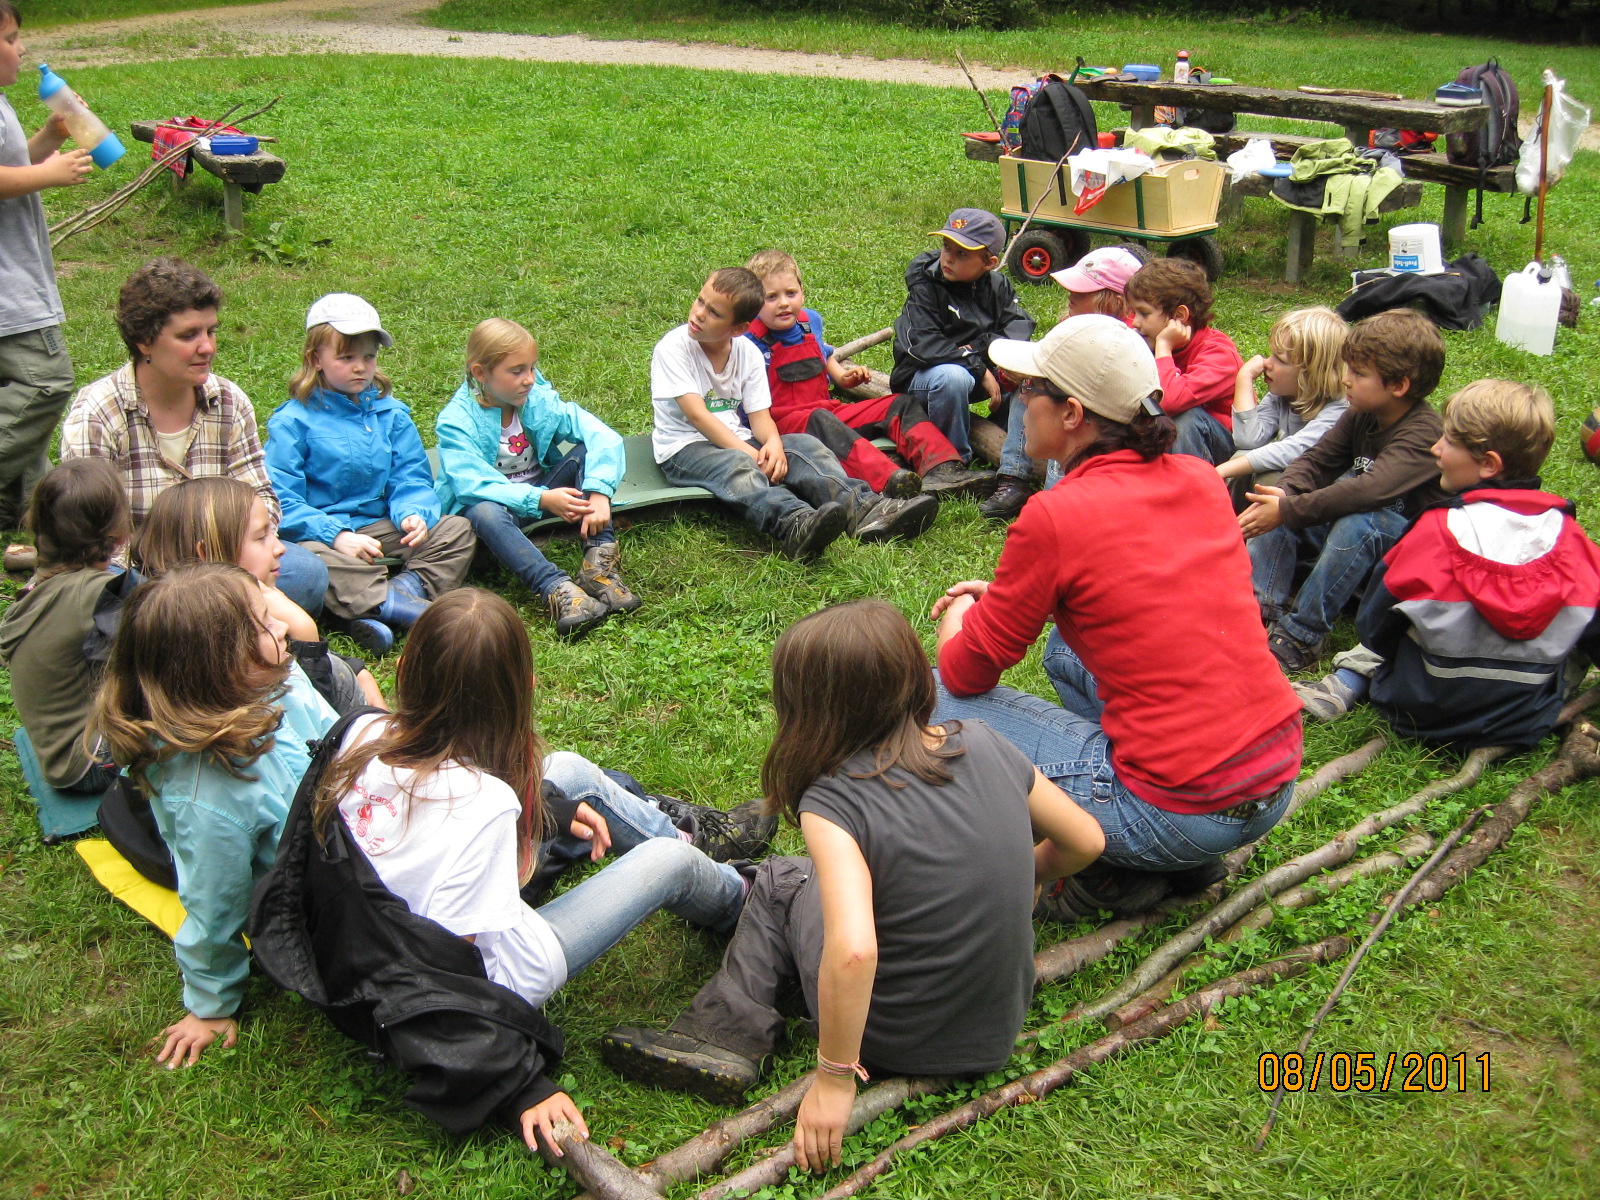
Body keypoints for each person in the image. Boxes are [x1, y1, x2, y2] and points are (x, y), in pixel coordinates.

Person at [601, 600, 1104, 1170]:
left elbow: (855, 950)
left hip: (891, 1038)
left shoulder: (833, 799)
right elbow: (1086, 840)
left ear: (808, 710)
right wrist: (1028, 873)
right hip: (994, 1028)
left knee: (783, 879)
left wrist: (837, 1079)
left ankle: (723, 1031)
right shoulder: (985, 740)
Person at [300, 588, 756, 1151]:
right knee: (670, 863)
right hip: (490, 975)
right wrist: (519, 1083)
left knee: (563, 771)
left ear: (408, 671)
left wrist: (553, 809)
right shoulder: (486, 805)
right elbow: (449, 977)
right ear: (525, 689)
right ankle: (754, 900)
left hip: (373, 937)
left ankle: (695, 835)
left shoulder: (358, 733)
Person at [929, 316, 1303, 918]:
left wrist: (966, 614)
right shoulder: (1199, 478)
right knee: (1062, 652)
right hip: (1272, 778)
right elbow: (1138, 588)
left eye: (1030, 390)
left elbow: (968, 673)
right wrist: (1012, 595)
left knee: (933, 695)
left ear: (1073, 413)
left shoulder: (1056, 515)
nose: (1020, 402)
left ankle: (1115, 863)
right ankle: (1164, 858)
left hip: (1180, 809)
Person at [92, 562, 340, 1068]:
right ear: (219, 667)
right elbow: (213, 901)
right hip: (326, 892)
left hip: (356, 828)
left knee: (548, 779)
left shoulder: (280, 678)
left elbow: (341, 740)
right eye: (264, 625)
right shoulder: (207, 794)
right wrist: (209, 1006)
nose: (282, 626)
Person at [1293, 380, 1600, 745]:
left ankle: (1347, 680)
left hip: (1416, 710)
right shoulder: (1575, 543)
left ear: (1489, 464)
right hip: (1520, 718)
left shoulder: (1435, 528)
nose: (1435, 448)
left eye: (1449, 441)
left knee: (1401, 621)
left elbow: (1373, 629)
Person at [60, 258, 329, 615]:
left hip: (225, 561)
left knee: (306, 573)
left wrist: (243, 553)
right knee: (104, 594)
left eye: (211, 331)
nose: (207, 347)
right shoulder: (98, 413)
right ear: (144, 341)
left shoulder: (229, 401)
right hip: (138, 572)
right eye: (188, 335)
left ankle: (208, 618)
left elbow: (260, 494)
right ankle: (228, 618)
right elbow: (91, 537)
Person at [652, 268, 935, 561]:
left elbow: (760, 415)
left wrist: (773, 444)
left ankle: (865, 509)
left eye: (714, 312)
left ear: (738, 328)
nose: (699, 314)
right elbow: (699, 417)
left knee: (804, 446)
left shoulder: (746, 352)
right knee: (739, 466)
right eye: (700, 301)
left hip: (740, 438)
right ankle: (794, 523)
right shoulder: (674, 349)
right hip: (683, 448)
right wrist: (752, 454)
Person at [265, 293, 476, 655]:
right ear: (316, 359)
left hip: (379, 529)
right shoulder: (292, 421)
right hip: (322, 536)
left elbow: (411, 476)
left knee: (456, 530)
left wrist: (413, 513)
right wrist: (336, 535)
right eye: (346, 357)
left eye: (369, 356)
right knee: (306, 562)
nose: (360, 367)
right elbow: (281, 501)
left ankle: (387, 601)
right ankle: (402, 607)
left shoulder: (391, 415)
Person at [1243, 308, 1447, 673]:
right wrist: (1285, 494)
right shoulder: (1360, 412)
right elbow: (1316, 462)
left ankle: (1302, 634)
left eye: (1358, 372)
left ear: (1398, 386)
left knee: (1360, 517)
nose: (1346, 379)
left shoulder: (1422, 433)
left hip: (1401, 556)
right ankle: (1258, 610)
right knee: (1280, 495)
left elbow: (1370, 492)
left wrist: (1289, 509)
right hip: (1349, 540)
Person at [436, 318, 633, 641]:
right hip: (498, 512)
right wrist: (540, 499)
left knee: (586, 453)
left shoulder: (536, 398)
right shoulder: (456, 422)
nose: (528, 380)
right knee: (482, 509)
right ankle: (557, 589)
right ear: (481, 373)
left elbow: (602, 436)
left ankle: (598, 567)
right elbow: (471, 484)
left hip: (543, 494)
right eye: (516, 371)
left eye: (531, 368)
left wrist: (599, 492)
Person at [742, 249, 991, 499]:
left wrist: (842, 377)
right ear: (753, 303)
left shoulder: (810, 322)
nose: (783, 303)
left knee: (899, 405)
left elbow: (824, 354)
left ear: (802, 291)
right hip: (783, 426)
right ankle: (889, 480)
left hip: (828, 410)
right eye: (771, 297)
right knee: (821, 419)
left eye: (791, 293)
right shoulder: (748, 340)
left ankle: (943, 469)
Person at [133, 475, 384, 713]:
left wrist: (355, 670)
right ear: (207, 553)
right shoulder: (202, 644)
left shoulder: (240, 606)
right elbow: (313, 721)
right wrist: (305, 634)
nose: (279, 548)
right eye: (261, 536)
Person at [0, 1, 86, 553]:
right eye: (9, 39)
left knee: (21, 421)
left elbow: (13, 165)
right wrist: (47, 177)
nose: (21, 48)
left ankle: (37, 535)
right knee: (45, 382)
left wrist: (48, 142)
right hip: (11, 291)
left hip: (15, 280)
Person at [889, 209, 1036, 522]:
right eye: (946, 248)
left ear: (989, 263)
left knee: (1025, 367)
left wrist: (982, 352)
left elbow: (1019, 328)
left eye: (961, 253)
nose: (948, 258)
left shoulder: (997, 286)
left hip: (971, 377)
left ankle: (1010, 453)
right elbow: (924, 345)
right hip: (923, 379)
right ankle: (952, 465)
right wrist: (978, 367)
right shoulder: (926, 285)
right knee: (953, 376)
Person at [0, 459, 127, 793]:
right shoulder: (93, 591)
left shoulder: (46, 582)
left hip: (59, 755)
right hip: (89, 760)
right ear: (117, 532)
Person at [1217, 306, 1349, 509]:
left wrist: (1219, 471)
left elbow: (1291, 451)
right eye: (1271, 354)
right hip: (1292, 486)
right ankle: (1227, 525)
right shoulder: (1284, 394)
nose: (1267, 363)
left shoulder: (1339, 410)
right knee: (1244, 460)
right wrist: (1244, 378)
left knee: (1267, 477)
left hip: (1319, 503)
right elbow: (1248, 440)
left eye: (1280, 359)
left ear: (1311, 374)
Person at [1124, 257, 1242, 465]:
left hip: (1222, 454)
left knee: (1185, 419)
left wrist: (1163, 348)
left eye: (1144, 313)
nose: (1136, 322)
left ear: (1179, 316)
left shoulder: (1219, 354)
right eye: (1134, 312)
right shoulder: (1147, 337)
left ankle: (1188, 493)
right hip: (1167, 441)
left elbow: (1169, 401)